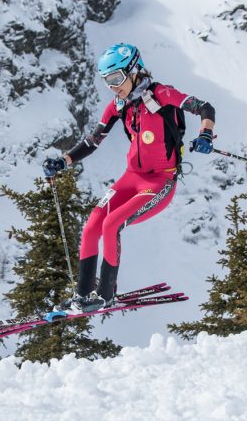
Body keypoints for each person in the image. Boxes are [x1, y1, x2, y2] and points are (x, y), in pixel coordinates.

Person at [42, 42, 217, 313]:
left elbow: (205, 108)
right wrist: (64, 161)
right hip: (131, 178)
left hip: (159, 181)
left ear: (133, 71)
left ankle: (106, 294)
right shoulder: (119, 105)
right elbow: (93, 141)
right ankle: (84, 294)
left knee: (112, 225)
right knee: (91, 227)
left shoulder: (161, 94)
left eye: (115, 78)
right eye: (106, 81)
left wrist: (205, 133)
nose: (112, 86)